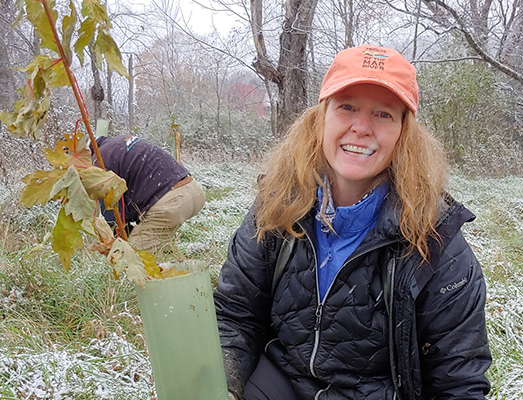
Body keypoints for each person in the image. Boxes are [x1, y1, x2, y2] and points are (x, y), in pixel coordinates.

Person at [214, 44, 492, 400]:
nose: (361, 127)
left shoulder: (436, 240)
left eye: (383, 114)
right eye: (347, 107)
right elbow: (235, 314)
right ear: (321, 117)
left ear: (404, 134)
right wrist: (221, 387)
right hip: (279, 379)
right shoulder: (276, 206)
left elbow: (458, 380)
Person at [93, 134, 205, 253]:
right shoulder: (118, 143)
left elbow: (115, 214)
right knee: (160, 248)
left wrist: (117, 239)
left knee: (134, 257)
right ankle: (177, 265)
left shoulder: (99, 161)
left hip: (170, 202)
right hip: (192, 191)